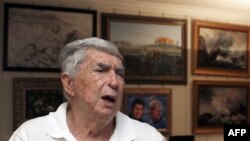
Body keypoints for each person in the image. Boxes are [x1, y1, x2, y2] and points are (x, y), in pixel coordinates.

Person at [9, 37, 166, 141]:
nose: (114, 82)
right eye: (100, 70)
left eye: (120, 73)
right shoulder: (30, 136)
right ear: (69, 83)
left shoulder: (149, 137)